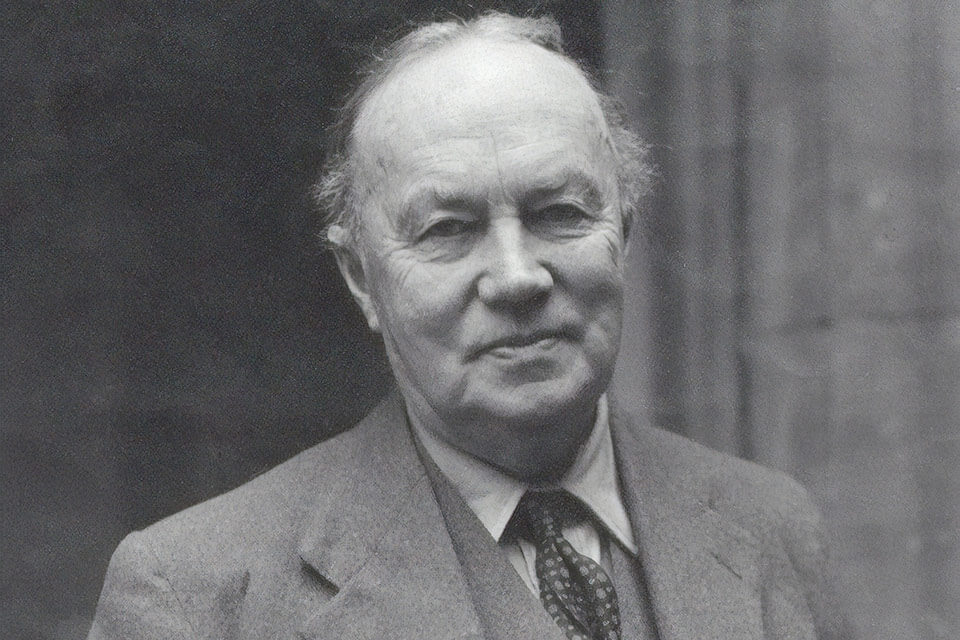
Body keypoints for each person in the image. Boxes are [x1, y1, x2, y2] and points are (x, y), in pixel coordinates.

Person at [88, 11, 846, 640]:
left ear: (624, 231)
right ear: (362, 278)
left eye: (559, 213)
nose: (517, 277)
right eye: (448, 229)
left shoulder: (772, 528)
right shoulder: (197, 597)